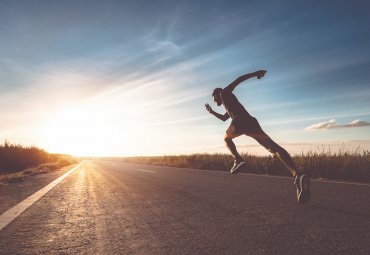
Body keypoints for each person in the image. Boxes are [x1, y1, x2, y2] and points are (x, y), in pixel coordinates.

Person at [205, 70, 310, 203]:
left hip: (240, 121)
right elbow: (224, 118)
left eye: (214, 99)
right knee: (273, 148)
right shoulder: (229, 105)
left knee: (226, 138)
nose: (214, 101)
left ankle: (237, 159)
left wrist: (256, 73)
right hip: (251, 122)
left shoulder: (223, 93)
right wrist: (212, 112)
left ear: (216, 94)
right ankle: (298, 175)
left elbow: (239, 79)